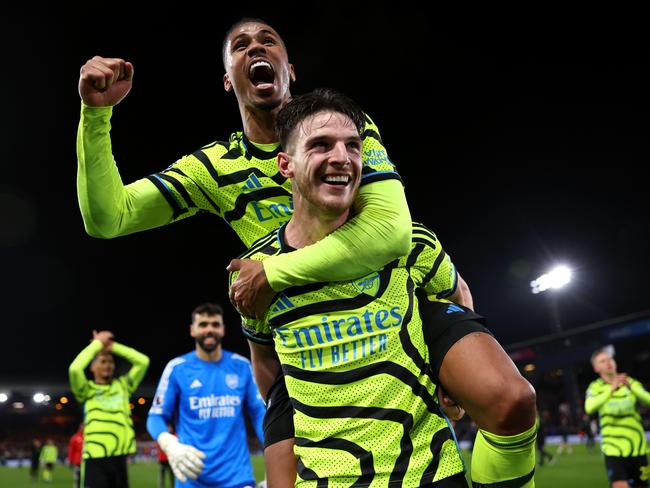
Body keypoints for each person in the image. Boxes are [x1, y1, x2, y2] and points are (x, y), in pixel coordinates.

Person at [231, 88, 536, 486]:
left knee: (517, 400)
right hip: (328, 478)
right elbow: (266, 365)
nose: (342, 157)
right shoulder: (254, 272)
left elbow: (457, 294)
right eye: (321, 145)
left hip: (430, 473)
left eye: (353, 147)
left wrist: (451, 367)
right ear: (285, 164)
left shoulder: (410, 242)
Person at [147, 302, 266, 487]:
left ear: (223, 329)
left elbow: (259, 413)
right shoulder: (177, 368)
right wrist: (169, 444)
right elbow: (155, 416)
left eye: (215, 324)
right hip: (192, 479)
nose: (209, 329)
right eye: (203, 324)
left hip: (237, 479)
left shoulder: (241, 366)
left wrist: (272, 453)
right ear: (192, 330)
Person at [69, 329, 150, 488]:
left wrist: (112, 346)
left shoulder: (123, 386)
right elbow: (75, 369)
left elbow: (143, 361)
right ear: (92, 367)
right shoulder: (86, 390)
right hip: (95, 457)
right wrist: (97, 344)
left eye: (111, 362)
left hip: (120, 457)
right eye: (102, 361)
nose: (108, 365)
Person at [585, 347, 650, 487]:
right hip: (613, 449)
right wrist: (611, 389)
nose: (608, 362)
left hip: (638, 447)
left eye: (609, 359)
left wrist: (633, 388)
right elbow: (589, 407)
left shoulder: (630, 382)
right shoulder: (595, 387)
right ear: (596, 368)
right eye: (602, 361)